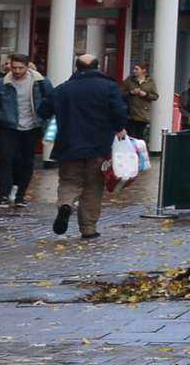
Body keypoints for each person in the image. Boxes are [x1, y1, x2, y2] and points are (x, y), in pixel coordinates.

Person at [48, 54, 129, 240]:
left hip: (68, 144)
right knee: (93, 185)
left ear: (76, 67)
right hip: (98, 144)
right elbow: (119, 110)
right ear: (98, 66)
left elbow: (44, 109)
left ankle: (65, 205)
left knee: (69, 181)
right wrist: (118, 127)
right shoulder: (109, 87)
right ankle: (88, 228)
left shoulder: (63, 89)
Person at [0, 52, 53, 209]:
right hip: (9, 126)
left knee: (27, 161)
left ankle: (20, 195)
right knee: (6, 158)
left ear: (28, 67)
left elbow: (51, 100)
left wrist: (45, 120)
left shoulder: (41, 82)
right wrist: (0, 116)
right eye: (13, 67)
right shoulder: (1, 83)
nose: (16, 71)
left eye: (20, 68)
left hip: (32, 127)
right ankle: (3, 195)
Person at [120, 64, 158, 143]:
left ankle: (140, 154)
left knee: (140, 137)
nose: (134, 71)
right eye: (134, 69)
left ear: (143, 70)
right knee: (128, 136)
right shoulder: (129, 80)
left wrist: (145, 94)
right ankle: (129, 153)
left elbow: (155, 96)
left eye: (137, 69)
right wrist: (131, 92)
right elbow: (120, 93)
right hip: (130, 113)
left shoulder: (150, 82)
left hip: (142, 114)